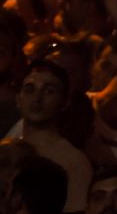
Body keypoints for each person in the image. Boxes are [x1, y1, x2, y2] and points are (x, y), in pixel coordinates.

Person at [6, 62, 90, 213]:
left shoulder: (74, 162)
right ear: (18, 99)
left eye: (49, 91)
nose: (37, 98)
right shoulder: (6, 149)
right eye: (29, 89)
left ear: (65, 102)